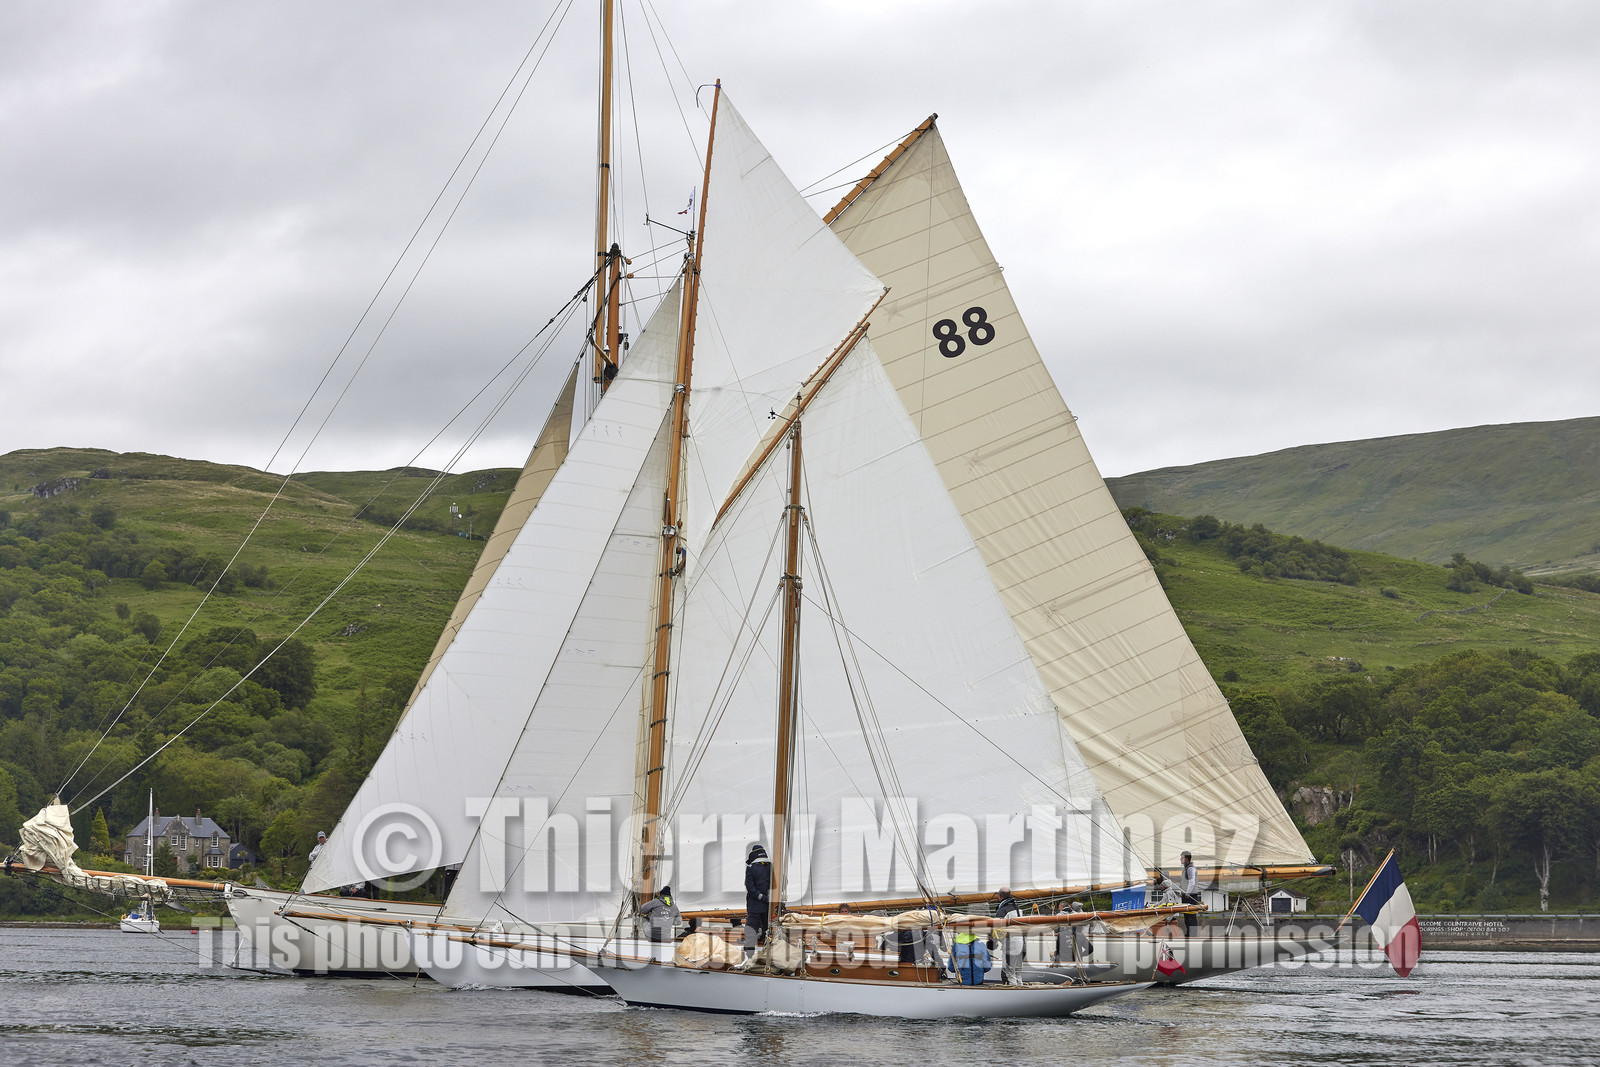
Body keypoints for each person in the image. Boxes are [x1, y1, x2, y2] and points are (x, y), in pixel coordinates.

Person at [743, 843, 772, 959]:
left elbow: (750, 887)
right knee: (766, 929)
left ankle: (749, 955)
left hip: (755, 906)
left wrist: (760, 896)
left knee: (751, 929)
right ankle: (767, 953)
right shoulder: (770, 866)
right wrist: (768, 897)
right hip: (768, 906)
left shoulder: (751, 868)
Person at [994, 887, 1024, 984]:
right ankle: (1020, 988)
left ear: (1000, 896)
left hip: (1011, 945)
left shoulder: (1002, 910)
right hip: (1022, 943)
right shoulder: (1018, 909)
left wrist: (993, 941)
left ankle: (1013, 990)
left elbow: (999, 929)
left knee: (1009, 972)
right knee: (1018, 972)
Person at [1180, 851, 1201, 935]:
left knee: (1191, 916)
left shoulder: (1190, 868)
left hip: (1190, 896)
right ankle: (1189, 933)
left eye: (1181, 858)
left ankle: (1192, 935)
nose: (1180, 859)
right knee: (1186, 916)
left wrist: (1187, 893)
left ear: (1186, 859)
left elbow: (1192, 882)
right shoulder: (1186, 868)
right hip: (1186, 895)